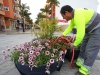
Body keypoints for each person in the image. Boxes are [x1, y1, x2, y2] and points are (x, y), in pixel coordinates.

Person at [59, 5, 100, 75]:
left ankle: (84, 70)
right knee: (83, 46)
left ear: (67, 13)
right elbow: (70, 27)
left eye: (63, 16)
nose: (64, 18)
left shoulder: (78, 15)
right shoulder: (73, 17)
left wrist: (74, 44)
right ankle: (80, 63)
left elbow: (80, 34)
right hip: (90, 30)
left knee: (90, 50)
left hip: (98, 29)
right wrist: (62, 35)